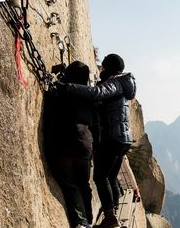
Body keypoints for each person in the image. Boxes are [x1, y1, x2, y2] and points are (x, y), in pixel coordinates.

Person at [57, 53, 136, 228]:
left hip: (113, 137)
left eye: (103, 67)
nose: (101, 70)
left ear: (108, 67)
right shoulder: (124, 85)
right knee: (111, 176)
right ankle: (113, 212)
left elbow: (97, 93)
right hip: (124, 138)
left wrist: (68, 87)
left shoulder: (115, 82)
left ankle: (110, 218)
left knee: (101, 177)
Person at [44, 61, 96, 228]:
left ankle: (80, 222)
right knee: (83, 183)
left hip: (65, 141)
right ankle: (88, 218)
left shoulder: (60, 91)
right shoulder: (90, 96)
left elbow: (50, 113)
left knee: (69, 183)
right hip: (85, 144)